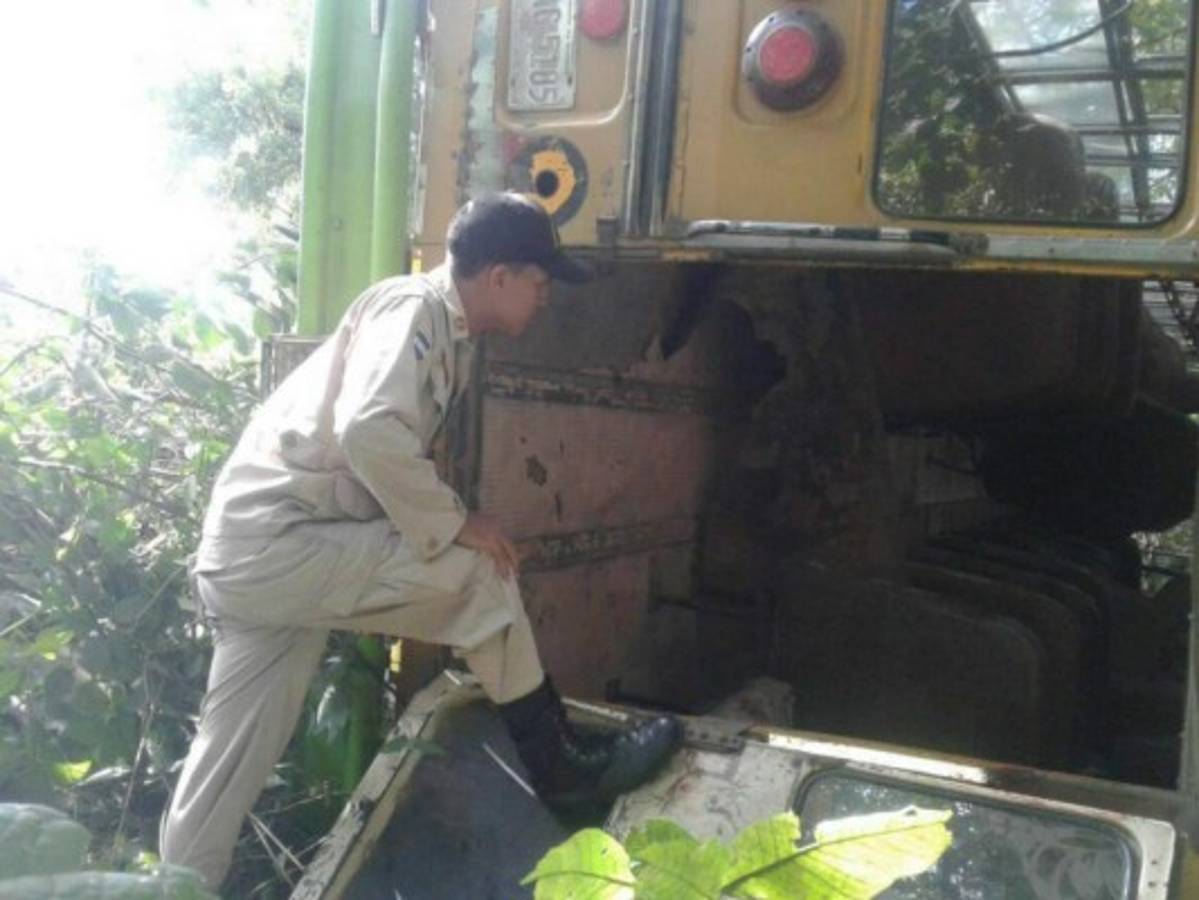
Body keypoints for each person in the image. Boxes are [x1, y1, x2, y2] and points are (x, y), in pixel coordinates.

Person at [160, 193, 682, 889]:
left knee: (224, 768)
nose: (545, 297)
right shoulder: (416, 310)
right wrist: (457, 523)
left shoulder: (441, 325)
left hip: (256, 556)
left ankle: (168, 886)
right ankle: (562, 771)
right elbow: (369, 430)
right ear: (498, 276)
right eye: (538, 280)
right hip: (284, 543)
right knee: (480, 575)